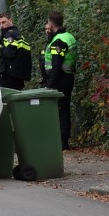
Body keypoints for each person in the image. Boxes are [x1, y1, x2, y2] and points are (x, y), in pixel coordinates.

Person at [41, 11, 77, 149]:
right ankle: (63, 139)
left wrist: (50, 85)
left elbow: (56, 65)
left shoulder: (59, 40)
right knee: (64, 108)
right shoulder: (68, 37)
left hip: (59, 78)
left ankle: (62, 141)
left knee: (60, 109)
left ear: (50, 23)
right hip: (67, 76)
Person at [0, 13, 36, 91]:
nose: (1, 25)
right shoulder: (17, 34)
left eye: (3, 22)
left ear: (10, 21)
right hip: (17, 76)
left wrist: (1, 48)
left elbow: (9, 53)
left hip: (9, 76)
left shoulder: (10, 35)